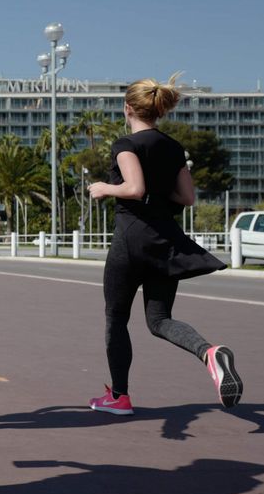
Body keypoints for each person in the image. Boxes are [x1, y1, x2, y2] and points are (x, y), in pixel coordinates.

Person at [86, 74, 241, 415]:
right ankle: (209, 353)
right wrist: (160, 194)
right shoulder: (173, 148)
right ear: (157, 110)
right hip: (164, 242)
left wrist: (103, 187)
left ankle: (120, 397)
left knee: (116, 318)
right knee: (159, 320)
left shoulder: (126, 145)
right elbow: (187, 197)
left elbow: (134, 188)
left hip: (131, 241)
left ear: (128, 108)